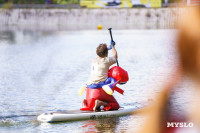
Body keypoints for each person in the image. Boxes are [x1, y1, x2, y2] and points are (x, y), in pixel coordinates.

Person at [86, 42, 118, 111]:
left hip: (89, 89)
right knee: (115, 106)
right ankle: (100, 103)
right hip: (99, 90)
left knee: (92, 106)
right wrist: (113, 47)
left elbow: (102, 54)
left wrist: (107, 49)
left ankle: (85, 102)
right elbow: (115, 56)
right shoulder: (107, 60)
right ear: (106, 53)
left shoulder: (93, 60)